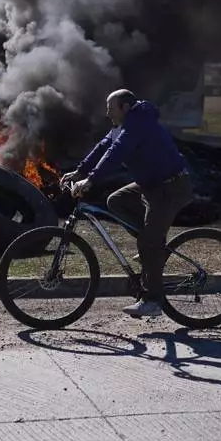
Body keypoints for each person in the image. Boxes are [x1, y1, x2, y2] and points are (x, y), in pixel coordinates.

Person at [62, 89, 193, 319]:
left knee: (149, 243)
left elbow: (116, 152)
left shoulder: (137, 124)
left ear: (125, 107)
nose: (107, 113)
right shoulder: (124, 124)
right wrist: (79, 171)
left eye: (110, 109)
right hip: (150, 184)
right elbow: (104, 146)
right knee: (117, 201)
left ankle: (153, 302)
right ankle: (151, 246)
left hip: (169, 188)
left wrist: (91, 180)